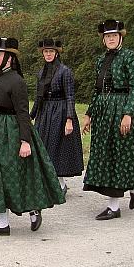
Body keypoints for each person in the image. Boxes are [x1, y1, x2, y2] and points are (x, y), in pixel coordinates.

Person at [0, 36, 65, 236]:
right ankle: (2, 224)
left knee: (15, 176)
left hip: (11, 132)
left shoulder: (17, 81)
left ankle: (34, 209)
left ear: (9, 57)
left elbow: (22, 113)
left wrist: (25, 141)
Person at [82, 20, 134, 220]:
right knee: (107, 156)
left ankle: (126, 195)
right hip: (104, 113)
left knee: (124, 155)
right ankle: (116, 203)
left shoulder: (130, 57)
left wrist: (128, 113)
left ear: (120, 37)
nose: (110, 39)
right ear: (103, 40)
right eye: (107, 36)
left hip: (123, 109)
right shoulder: (100, 60)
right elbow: (97, 90)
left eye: (114, 35)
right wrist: (89, 114)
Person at [30, 39, 84, 195]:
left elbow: (70, 97)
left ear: (56, 53)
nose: (48, 54)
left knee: (57, 148)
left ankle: (60, 185)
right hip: (44, 112)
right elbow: (38, 97)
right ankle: (49, 183)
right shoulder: (41, 72)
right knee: (43, 147)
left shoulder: (64, 71)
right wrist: (31, 115)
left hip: (60, 111)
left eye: (51, 51)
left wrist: (69, 119)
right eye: (46, 52)